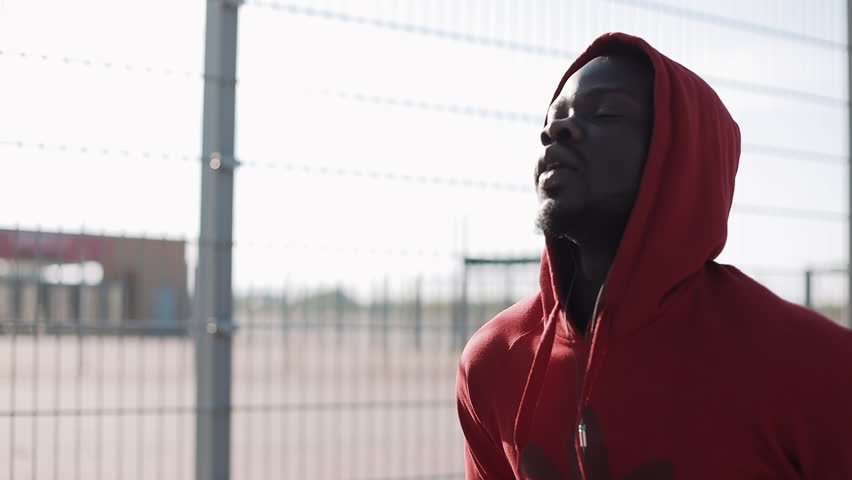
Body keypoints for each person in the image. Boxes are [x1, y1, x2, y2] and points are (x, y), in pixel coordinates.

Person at [455, 32, 852, 480]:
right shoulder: (493, 361)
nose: (556, 130)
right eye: (552, 119)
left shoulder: (816, 368)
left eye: (605, 112)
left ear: (685, 157)